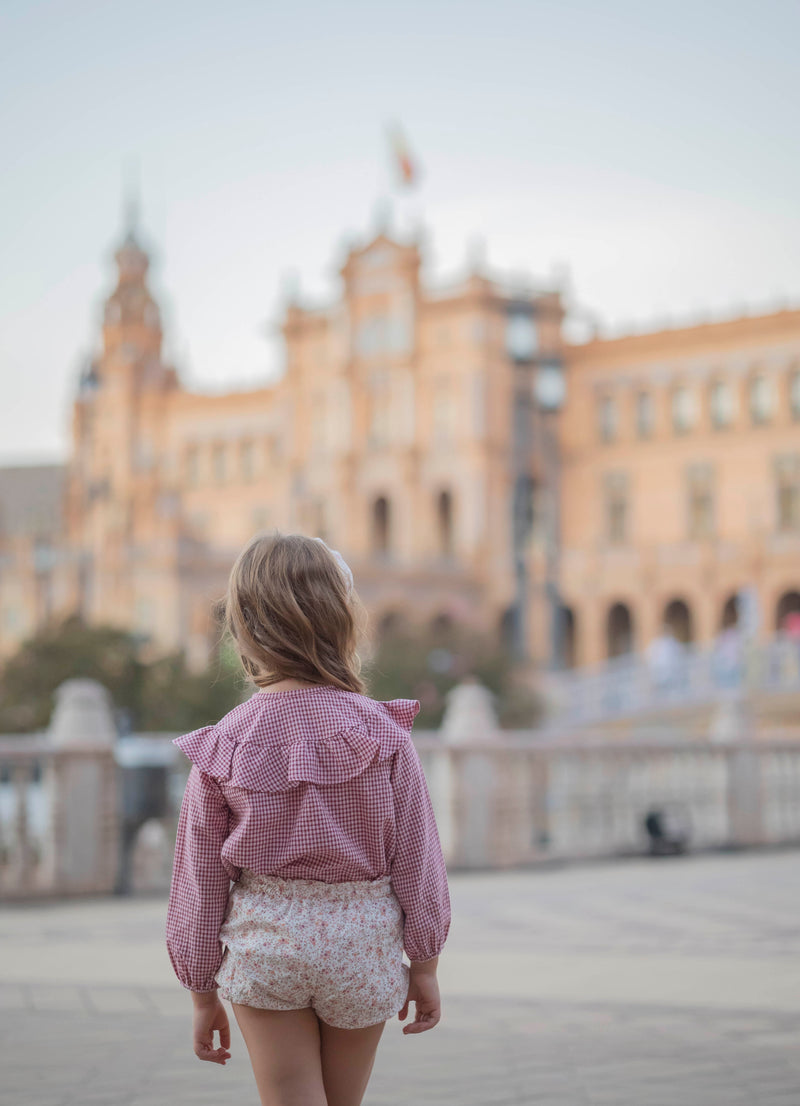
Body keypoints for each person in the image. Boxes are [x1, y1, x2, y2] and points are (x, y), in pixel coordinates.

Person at [166, 531, 450, 1106]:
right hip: (361, 945)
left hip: (267, 946)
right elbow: (419, 863)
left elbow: (198, 883)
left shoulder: (225, 742)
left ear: (244, 625)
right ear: (342, 618)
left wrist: (200, 991)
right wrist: (425, 964)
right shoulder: (383, 733)